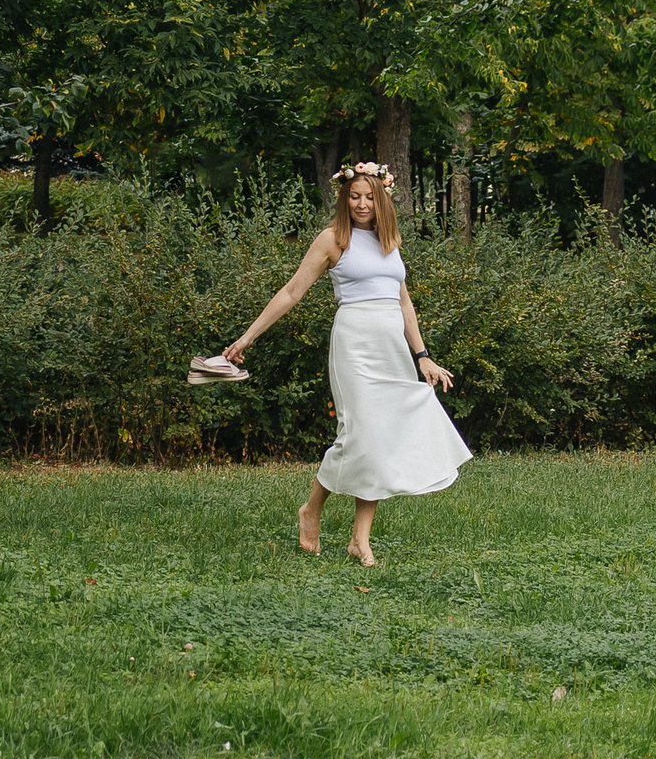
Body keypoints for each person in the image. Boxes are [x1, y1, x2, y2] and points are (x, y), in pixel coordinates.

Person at [190, 161, 472, 565]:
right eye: (354, 196)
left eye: (369, 197)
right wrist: (246, 338)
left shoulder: (389, 241)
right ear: (344, 198)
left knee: (381, 439)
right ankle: (311, 509)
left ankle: (360, 539)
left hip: (392, 348)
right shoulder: (333, 239)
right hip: (354, 346)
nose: (362, 204)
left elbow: (404, 302)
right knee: (358, 434)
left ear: (383, 199)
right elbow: (291, 292)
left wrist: (423, 356)